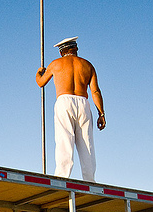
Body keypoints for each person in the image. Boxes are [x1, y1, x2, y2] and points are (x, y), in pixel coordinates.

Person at [36, 36, 106, 182]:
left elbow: (41, 83)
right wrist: (101, 113)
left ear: (61, 52)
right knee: (87, 143)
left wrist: (39, 72)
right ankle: (90, 180)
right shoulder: (88, 65)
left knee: (64, 140)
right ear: (76, 49)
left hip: (64, 101)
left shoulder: (56, 64)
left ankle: (61, 177)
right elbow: (95, 92)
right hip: (83, 103)